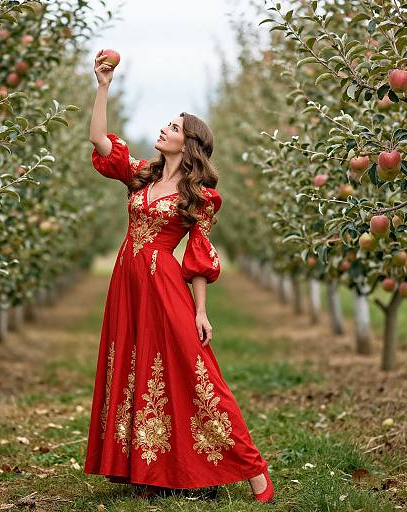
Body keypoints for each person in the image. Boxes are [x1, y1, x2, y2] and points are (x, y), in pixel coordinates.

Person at [83, 49, 275, 504]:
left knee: (192, 370)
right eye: (166, 124)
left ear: (187, 144)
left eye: (172, 127)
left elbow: (200, 257)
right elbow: (99, 141)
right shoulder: (141, 177)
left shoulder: (200, 196)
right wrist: (103, 85)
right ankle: (149, 468)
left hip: (163, 283)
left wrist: (202, 312)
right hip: (127, 283)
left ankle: (252, 468)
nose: (163, 129)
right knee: (135, 366)